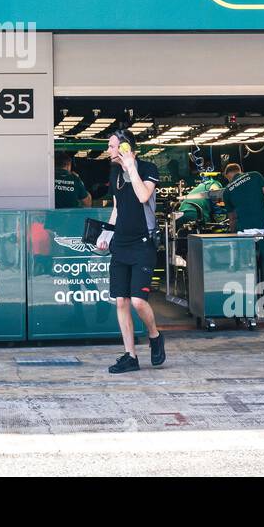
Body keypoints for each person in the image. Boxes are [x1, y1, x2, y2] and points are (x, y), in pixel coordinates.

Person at [93, 130, 165, 374]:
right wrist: (106, 234)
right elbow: (117, 208)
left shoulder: (147, 168)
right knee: (121, 301)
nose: (109, 151)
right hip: (121, 244)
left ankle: (155, 336)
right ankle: (130, 355)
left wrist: (131, 167)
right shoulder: (114, 173)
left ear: (125, 149)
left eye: (113, 146)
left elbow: (144, 195)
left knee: (137, 301)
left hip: (143, 243)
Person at [222, 162, 264, 286]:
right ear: (240, 170)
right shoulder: (255, 175)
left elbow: (232, 219)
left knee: (247, 267)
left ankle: (249, 300)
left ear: (227, 176)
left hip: (244, 231)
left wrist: (232, 233)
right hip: (263, 228)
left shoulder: (227, 191)